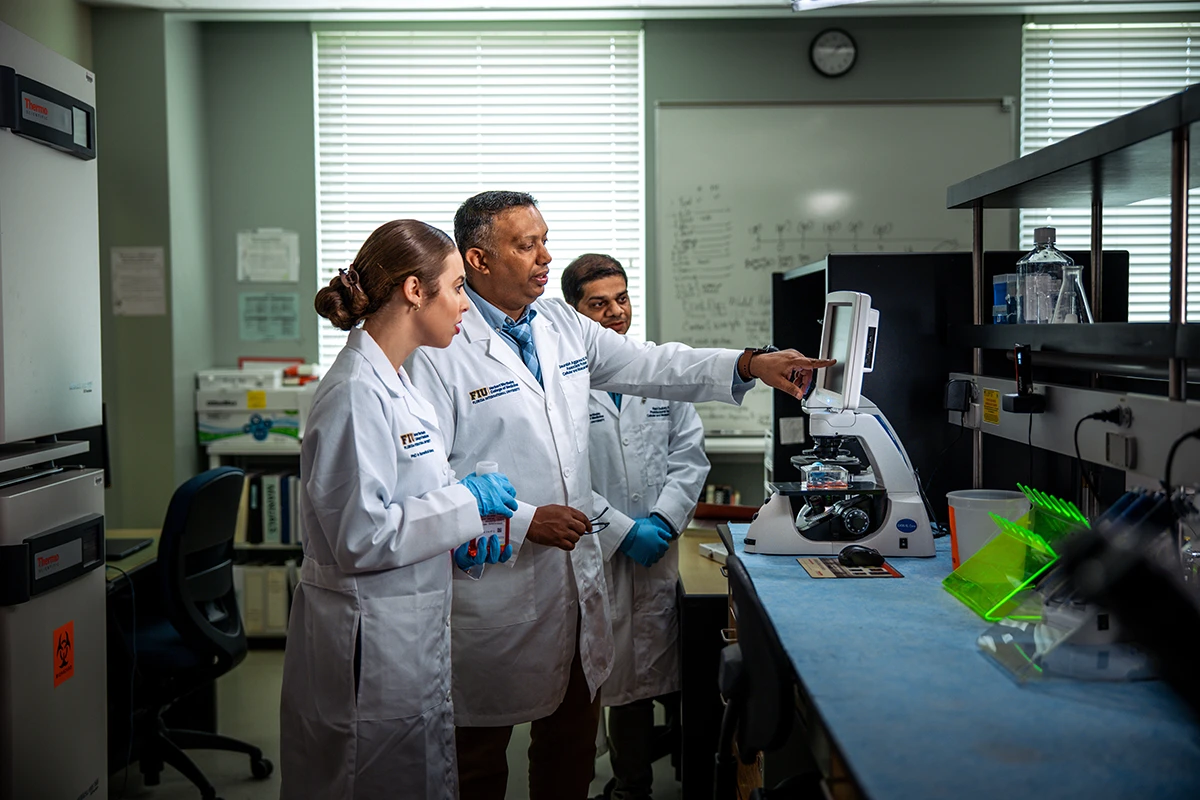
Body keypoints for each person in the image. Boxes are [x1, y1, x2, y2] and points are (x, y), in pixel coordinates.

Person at [406, 191, 833, 800]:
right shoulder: (440, 344)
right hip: (495, 581)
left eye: (544, 240)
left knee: (570, 747)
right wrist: (526, 522)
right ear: (476, 259)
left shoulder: (559, 325)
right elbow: (429, 477)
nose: (544, 257)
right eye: (525, 245)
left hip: (575, 575)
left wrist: (749, 363)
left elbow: (653, 365)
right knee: (479, 756)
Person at [279, 219, 518, 800]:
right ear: (416, 290)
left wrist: (458, 534)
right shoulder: (355, 393)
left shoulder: (399, 383)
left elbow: (409, 502)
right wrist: (467, 504)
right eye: (459, 287)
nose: (466, 304)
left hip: (402, 631)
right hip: (368, 642)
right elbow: (360, 537)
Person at [562, 253, 707, 800]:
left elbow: (689, 456)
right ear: (576, 312)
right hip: (597, 548)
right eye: (598, 303)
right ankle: (630, 785)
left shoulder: (656, 371)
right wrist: (624, 531)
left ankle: (672, 773)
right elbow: (565, 473)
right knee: (616, 672)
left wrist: (665, 521)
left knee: (661, 659)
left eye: (621, 299)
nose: (615, 313)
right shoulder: (565, 383)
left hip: (660, 546)